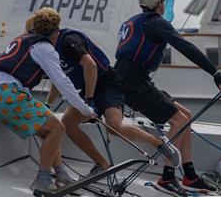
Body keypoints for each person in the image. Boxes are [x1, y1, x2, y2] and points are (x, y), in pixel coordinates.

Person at [115, 0, 221, 194]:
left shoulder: (133, 21)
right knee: (178, 120)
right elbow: (185, 47)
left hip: (134, 79)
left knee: (186, 116)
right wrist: (214, 72)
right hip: (132, 81)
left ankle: (190, 176)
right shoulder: (156, 22)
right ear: (159, 5)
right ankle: (167, 178)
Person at [44, 24, 181, 173]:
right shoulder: (48, 51)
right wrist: (48, 104)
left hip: (109, 84)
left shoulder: (68, 40)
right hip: (89, 89)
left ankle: (159, 143)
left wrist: (89, 100)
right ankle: (102, 164)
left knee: (114, 127)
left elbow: (91, 65)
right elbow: (57, 79)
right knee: (68, 123)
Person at [0, 7, 95, 191]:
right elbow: (62, 82)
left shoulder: (21, 40)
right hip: (12, 97)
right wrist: (85, 109)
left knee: (49, 131)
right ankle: (42, 180)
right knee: (58, 128)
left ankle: (61, 173)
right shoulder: (43, 47)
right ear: (55, 31)